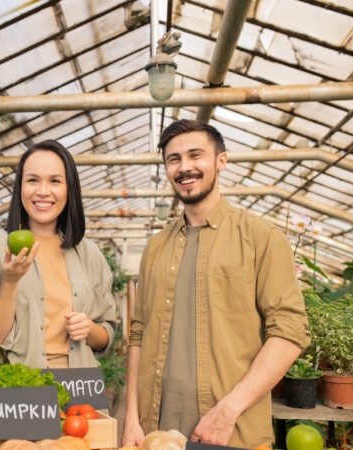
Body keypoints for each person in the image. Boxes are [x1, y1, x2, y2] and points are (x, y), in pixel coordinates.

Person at [122, 120, 310, 448]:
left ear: (221, 161)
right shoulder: (156, 247)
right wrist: (131, 419)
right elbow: (138, 333)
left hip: (232, 434)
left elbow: (290, 332)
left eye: (196, 155)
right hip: (156, 434)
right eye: (173, 159)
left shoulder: (260, 238)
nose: (185, 167)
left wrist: (229, 409)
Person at [0, 139, 116, 369]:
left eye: (55, 181)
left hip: (80, 391)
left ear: (69, 188)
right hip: (22, 393)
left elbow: (106, 337)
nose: (43, 191)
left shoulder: (90, 253)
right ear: (20, 187)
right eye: (33, 180)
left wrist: (89, 329)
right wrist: (9, 282)